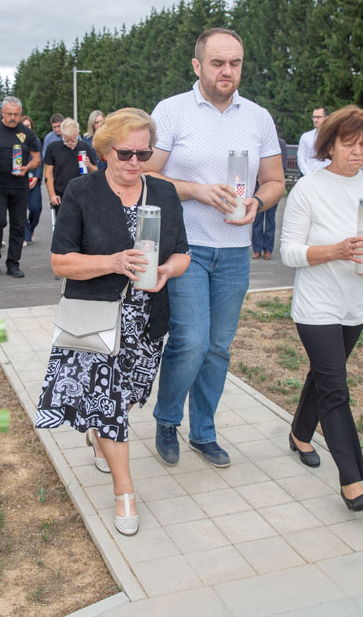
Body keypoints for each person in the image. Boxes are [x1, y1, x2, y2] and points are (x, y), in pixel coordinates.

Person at [35, 108, 190, 535]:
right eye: (125, 153)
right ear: (105, 150)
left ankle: (96, 434)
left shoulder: (164, 193)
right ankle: (125, 493)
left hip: (147, 320)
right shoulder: (82, 191)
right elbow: (59, 262)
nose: (135, 162)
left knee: (128, 397)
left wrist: (166, 270)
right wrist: (112, 262)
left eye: (144, 153)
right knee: (110, 404)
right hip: (95, 318)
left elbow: (183, 252)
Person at [144, 27, 285, 468]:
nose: (227, 71)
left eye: (235, 63)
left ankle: (203, 431)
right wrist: (196, 191)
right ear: (197, 65)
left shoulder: (258, 117)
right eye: (218, 62)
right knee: (191, 340)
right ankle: (168, 420)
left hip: (236, 250)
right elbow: (145, 175)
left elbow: (275, 181)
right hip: (184, 248)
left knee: (219, 346)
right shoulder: (172, 111)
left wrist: (257, 202)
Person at [279, 105, 363, 511]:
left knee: (325, 376)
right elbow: (289, 252)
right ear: (329, 145)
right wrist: (336, 251)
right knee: (335, 388)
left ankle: (299, 433)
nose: (358, 152)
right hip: (316, 306)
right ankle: (352, 482)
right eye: (349, 144)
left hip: (355, 304)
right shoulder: (308, 189)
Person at [0, 96, 41, 279]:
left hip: (20, 185)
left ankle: (13, 263)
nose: (12, 118)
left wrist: (28, 167)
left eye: (16, 114)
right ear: (2, 112)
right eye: (9, 114)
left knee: (18, 225)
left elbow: (36, 158)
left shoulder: (27, 133)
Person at [44, 118, 99, 217]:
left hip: (82, 193)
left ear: (78, 133)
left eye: (73, 140)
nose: (70, 143)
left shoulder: (85, 147)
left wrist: (89, 165)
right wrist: (52, 195)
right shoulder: (53, 148)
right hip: (61, 193)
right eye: (66, 140)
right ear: (62, 134)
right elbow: (48, 173)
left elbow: (95, 171)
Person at [252, 126, 285, 259]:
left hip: (272, 185)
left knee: (271, 220)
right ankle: (257, 249)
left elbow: (283, 165)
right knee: (257, 219)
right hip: (256, 185)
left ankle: (268, 249)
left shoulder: (280, 143)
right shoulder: (256, 141)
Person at [21, 115, 44, 246]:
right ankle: (25, 236)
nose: (27, 128)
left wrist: (36, 178)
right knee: (20, 209)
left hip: (34, 178)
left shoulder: (36, 141)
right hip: (21, 179)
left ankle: (30, 228)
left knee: (36, 207)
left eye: (28, 126)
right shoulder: (16, 140)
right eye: (24, 126)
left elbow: (39, 160)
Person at [297, 106, 328, 176]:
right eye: (313, 117)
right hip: (308, 175)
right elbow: (300, 158)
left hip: (326, 176)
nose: (315, 120)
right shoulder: (305, 136)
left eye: (318, 117)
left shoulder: (333, 137)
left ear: (326, 118)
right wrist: (308, 175)